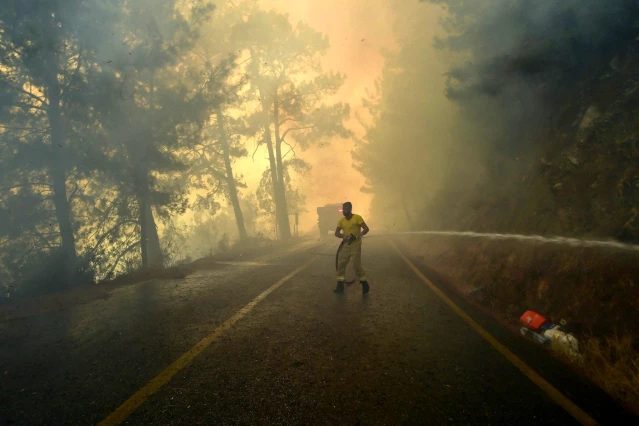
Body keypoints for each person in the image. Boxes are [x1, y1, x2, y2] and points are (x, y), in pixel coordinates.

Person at [334, 201, 370, 294]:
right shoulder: (341, 221)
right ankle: (340, 285)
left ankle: (364, 283)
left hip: (356, 245)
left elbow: (366, 228)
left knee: (356, 265)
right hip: (345, 246)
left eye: (345, 209)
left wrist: (360, 234)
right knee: (341, 264)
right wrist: (343, 236)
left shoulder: (357, 218)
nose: (344, 211)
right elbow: (336, 233)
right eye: (343, 209)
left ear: (350, 209)